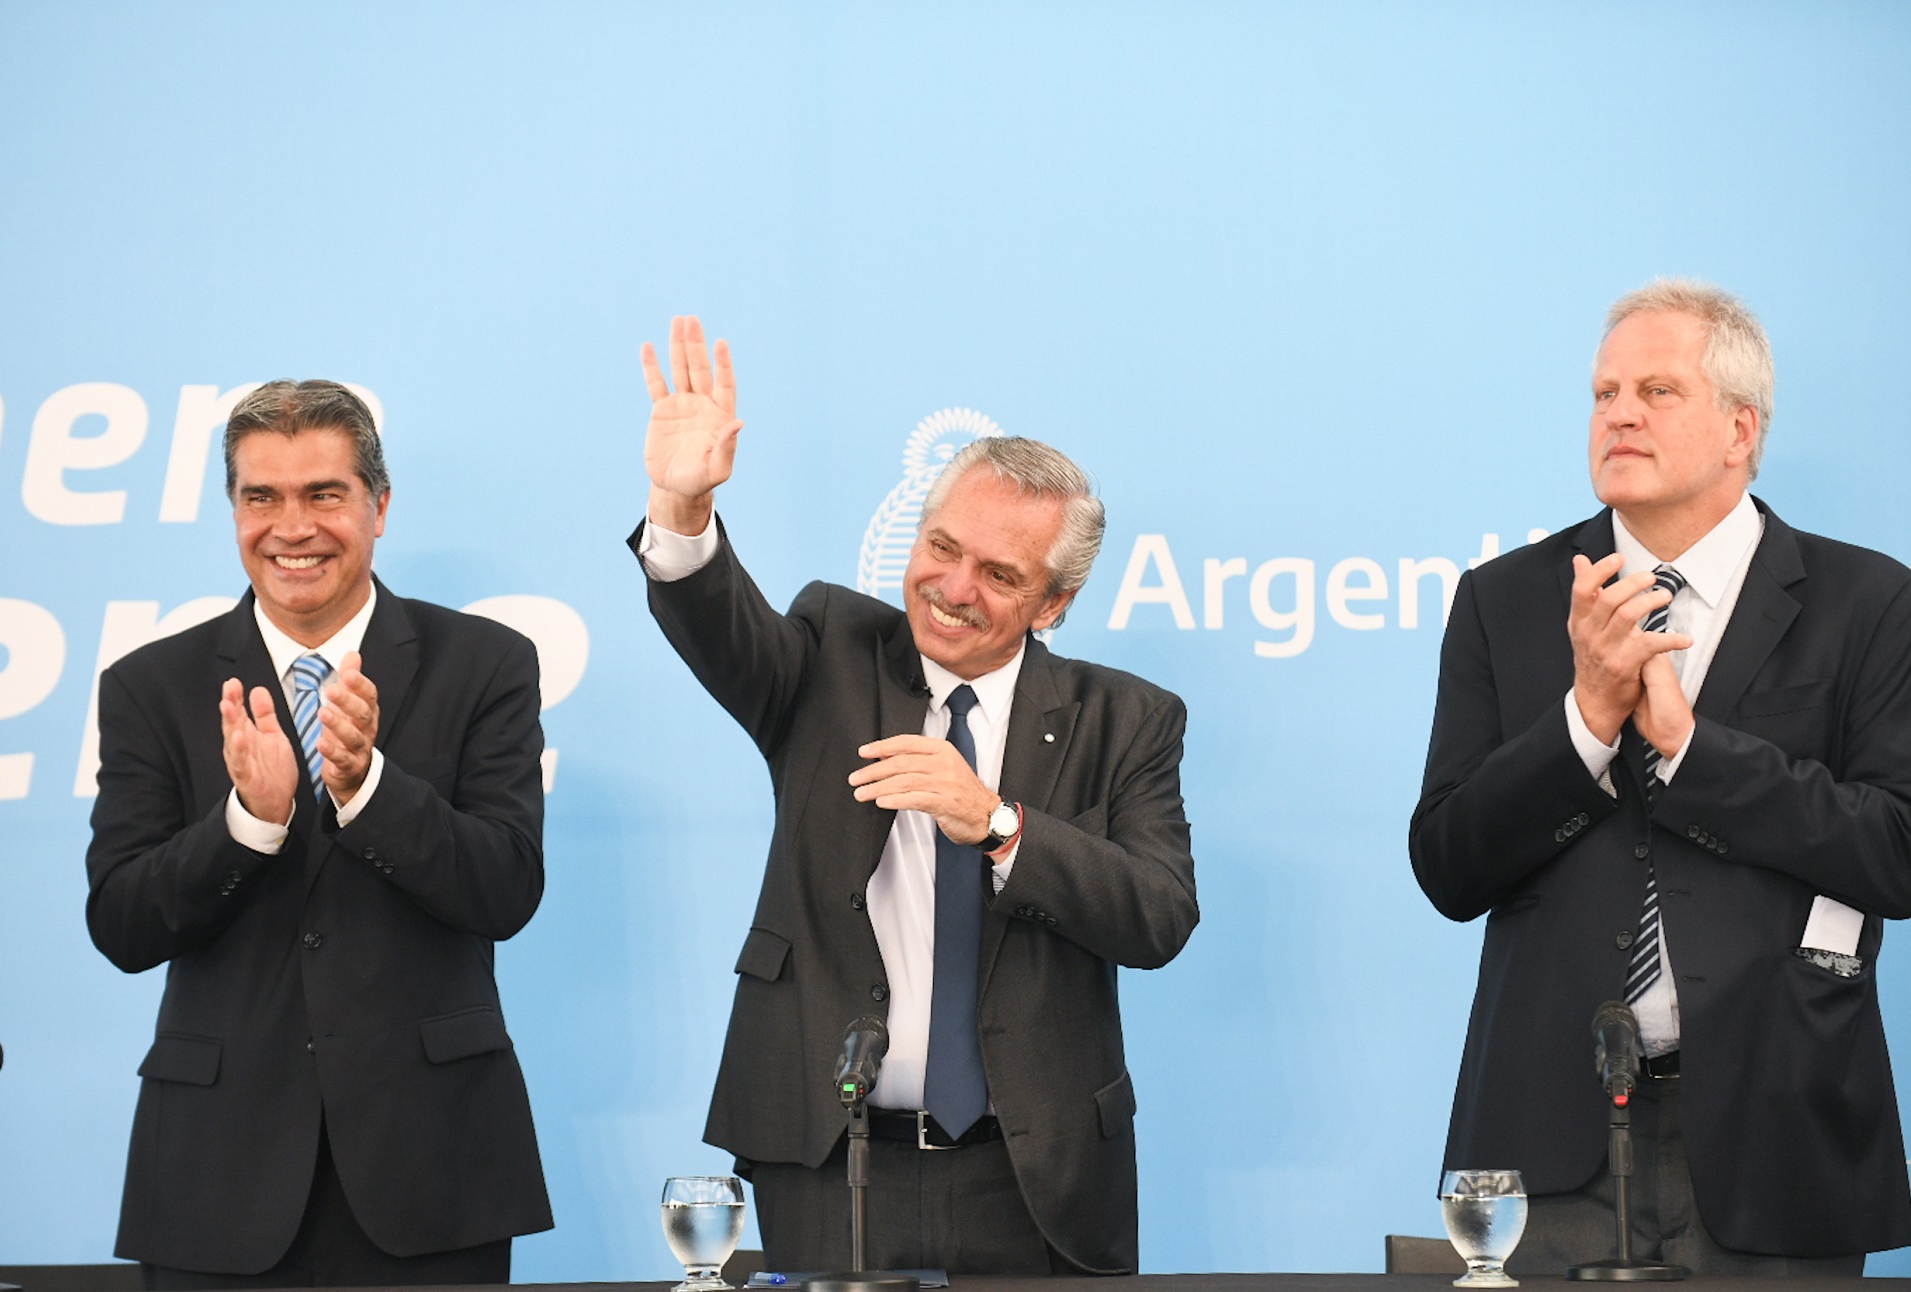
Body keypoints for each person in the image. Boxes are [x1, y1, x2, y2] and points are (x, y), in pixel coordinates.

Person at [630, 316, 1196, 1275]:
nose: (953, 586)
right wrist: (682, 513)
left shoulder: (1125, 718)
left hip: (1033, 1173)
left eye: (1000, 573)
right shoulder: (830, 649)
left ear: (1053, 603)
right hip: (829, 1153)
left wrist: (1000, 824)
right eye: (942, 545)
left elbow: (1159, 916)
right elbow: (719, 626)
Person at [1412, 280, 1911, 1273]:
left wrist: (1692, 751)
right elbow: (1447, 863)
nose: (1617, 414)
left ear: (1739, 429)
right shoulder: (1503, 600)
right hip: (1548, 1138)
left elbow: (1894, 851)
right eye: (1601, 394)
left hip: (1781, 1127)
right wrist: (1583, 720)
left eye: (1653, 390)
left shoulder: (1865, 599)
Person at [86, 381, 552, 1287]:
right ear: (234, 512)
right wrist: (246, 822)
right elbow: (123, 926)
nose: (291, 527)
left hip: (431, 1176)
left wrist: (368, 788)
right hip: (215, 1180)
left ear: (379, 505)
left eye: (323, 495)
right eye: (262, 497)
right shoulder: (150, 684)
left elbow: (505, 889)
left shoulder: (487, 664)